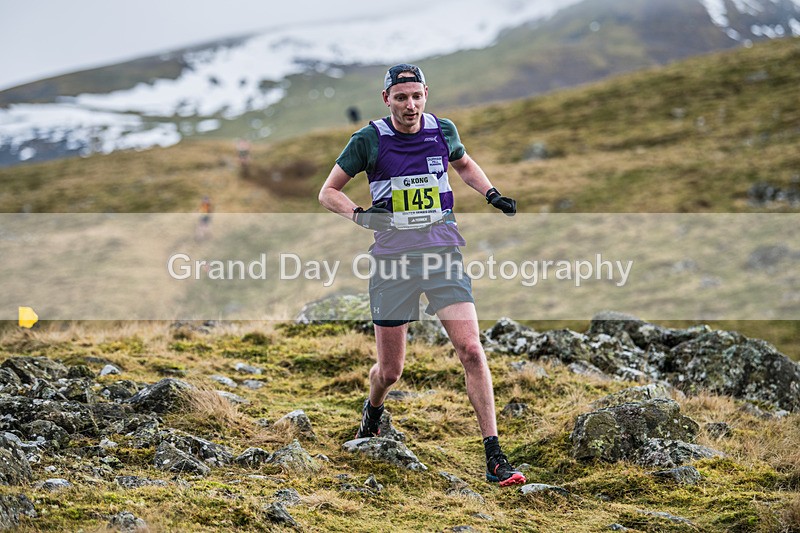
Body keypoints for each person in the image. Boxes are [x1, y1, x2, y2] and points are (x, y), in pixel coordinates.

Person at [318, 64, 524, 487]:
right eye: (401, 98)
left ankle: (494, 457)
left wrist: (491, 194)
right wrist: (360, 215)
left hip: (442, 254)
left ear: (426, 93)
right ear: (386, 99)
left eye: (416, 96)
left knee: (470, 348)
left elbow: (464, 164)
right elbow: (328, 192)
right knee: (390, 372)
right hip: (393, 263)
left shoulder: (442, 130)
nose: (410, 106)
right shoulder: (369, 140)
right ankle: (373, 411)